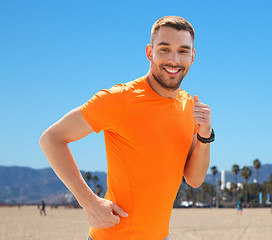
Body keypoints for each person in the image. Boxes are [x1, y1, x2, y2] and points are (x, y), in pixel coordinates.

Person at [39, 16, 213, 240]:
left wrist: (205, 135)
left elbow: (194, 179)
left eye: (182, 50)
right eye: (164, 49)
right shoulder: (120, 99)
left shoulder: (189, 105)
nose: (173, 59)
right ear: (149, 52)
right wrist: (88, 202)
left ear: (192, 56)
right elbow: (51, 139)